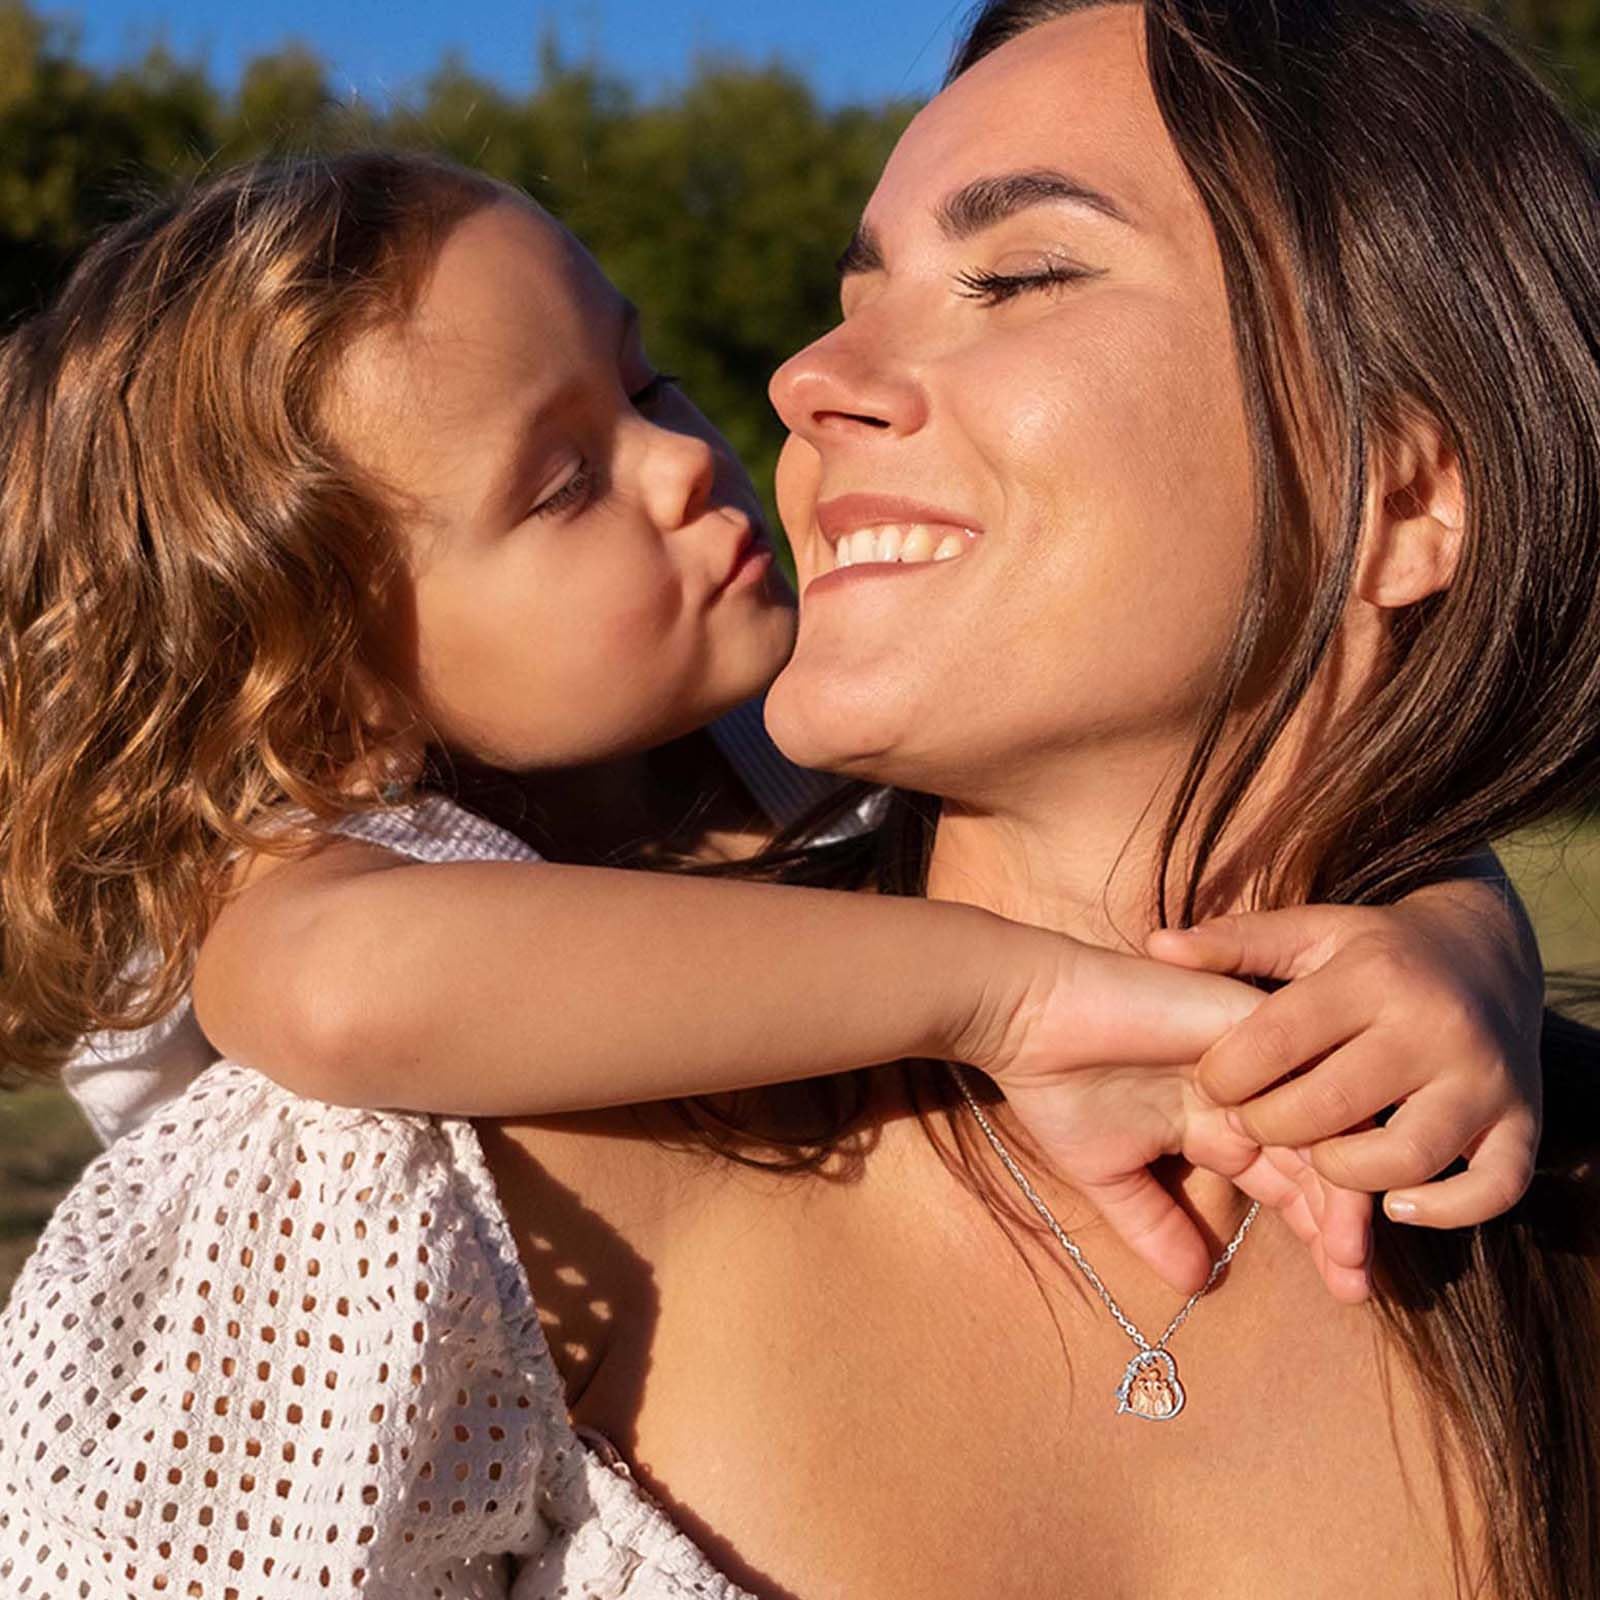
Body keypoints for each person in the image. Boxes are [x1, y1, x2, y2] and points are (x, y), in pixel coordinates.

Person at [0, 3, 1588, 1597]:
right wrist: (1018, 1002)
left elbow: (1394, 803)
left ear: (1406, 488)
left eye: (1020, 276)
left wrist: (1457, 931)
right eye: (555, 484)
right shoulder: (390, 1200)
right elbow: (331, 977)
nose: (801, 383)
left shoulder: (1517, 1153)